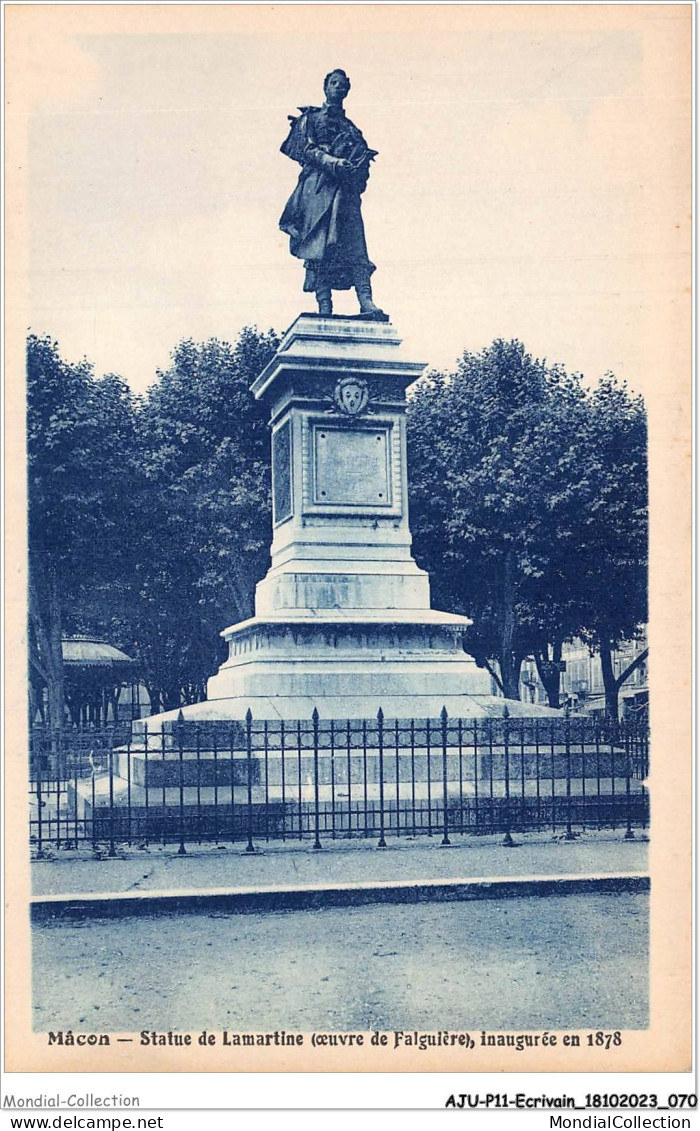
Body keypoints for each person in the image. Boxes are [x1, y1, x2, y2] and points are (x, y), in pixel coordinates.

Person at [279, 69, 387, 319]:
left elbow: (363, 163)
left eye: (343, 84)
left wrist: (358, 169)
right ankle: (324, 306)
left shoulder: (352, 129)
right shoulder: (312, 118)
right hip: (318, 190)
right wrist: (334, 163)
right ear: (325, 87)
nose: (339, 87)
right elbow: (307, 150)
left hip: (346, 194)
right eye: (334, 83)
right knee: (319, 246)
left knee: (355, 246)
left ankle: (366, 300)